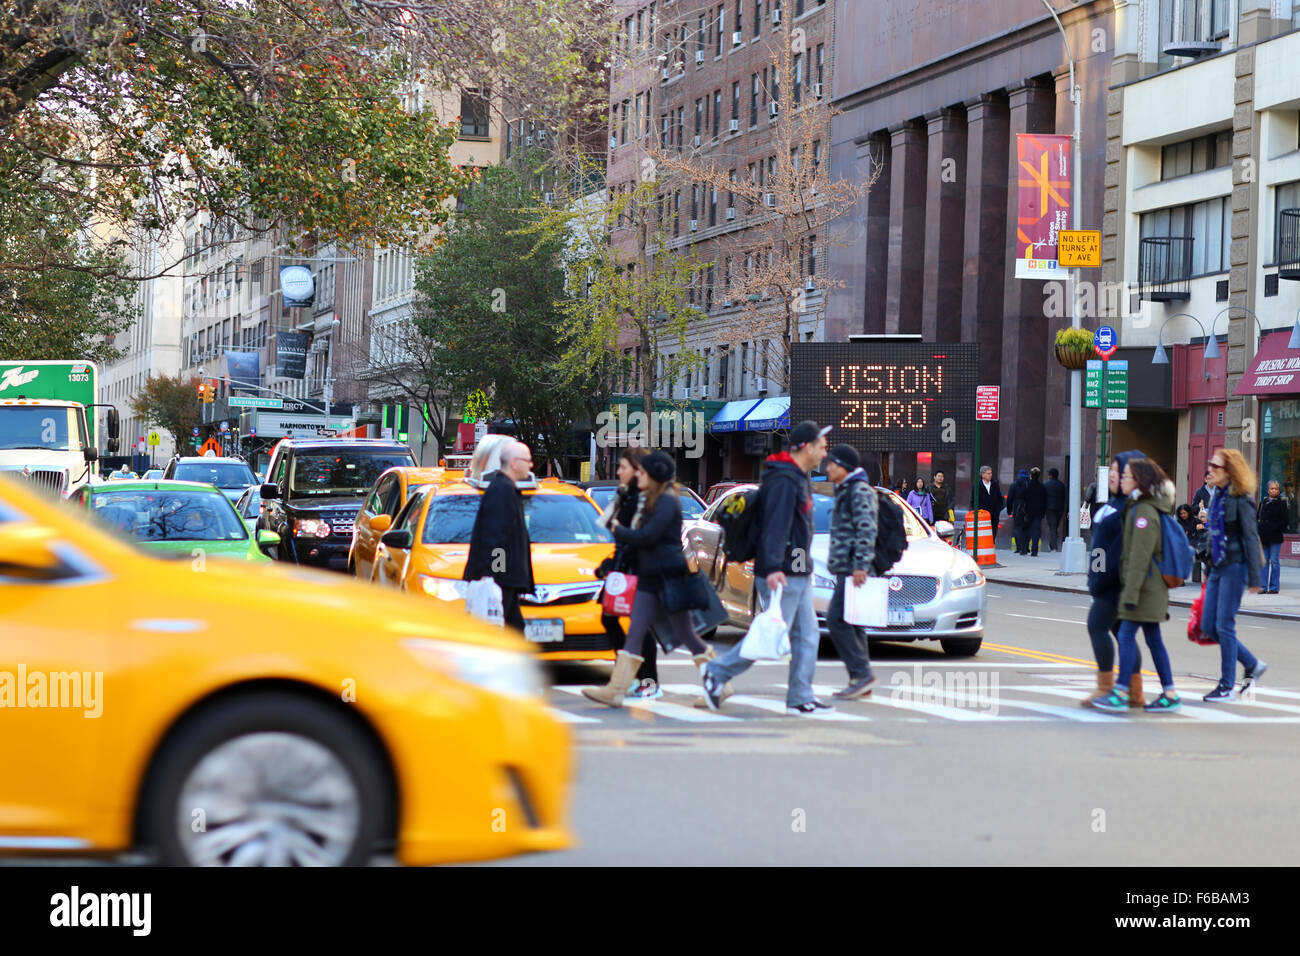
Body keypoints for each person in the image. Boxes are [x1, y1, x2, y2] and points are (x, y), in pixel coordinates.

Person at [702, 420, 832, 715]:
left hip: (794, 571)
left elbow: (797, 532)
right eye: (822, 447)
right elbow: (776, 527)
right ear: (806, 447)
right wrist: (774, 568)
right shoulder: (786, 480)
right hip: (783, 573)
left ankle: (800, 696)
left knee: (808, 634)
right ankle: (717, 673)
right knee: (767, 638)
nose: (825, 453)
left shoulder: (794, 476)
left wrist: (801, 569)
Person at [583, 451, 712, 707]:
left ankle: (718, 681)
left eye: (641, 472)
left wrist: (618, 529)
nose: (636, 475)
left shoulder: (667, 500)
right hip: (648, 576)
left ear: (653, 475)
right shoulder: (649, 499)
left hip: (668, 576)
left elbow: (648, 536)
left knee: (686, 633)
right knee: (636, 632)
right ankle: (616, 690)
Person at [1092, 457, 1181, 713]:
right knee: (1153, 640)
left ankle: (1120, 692)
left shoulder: (1142, 512)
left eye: (1127, 476)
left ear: (1139, 480)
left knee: (1126, 635)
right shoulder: (1142, 506)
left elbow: (1139, 558)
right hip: (1149, 588)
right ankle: (1170, 693)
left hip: (1144, 589)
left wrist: (1129, 593)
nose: (1122, 480)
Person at [1081, 450, 1147, 709]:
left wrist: (1100, 580)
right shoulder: (1112, 504)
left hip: (1115, 584)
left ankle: (1107, 687)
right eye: (1111, 471)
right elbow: (1099, 546)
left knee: (1097, 626)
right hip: (1104, 580)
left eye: (1119, 473)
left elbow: (1119, 551)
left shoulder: (1130, 508)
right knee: (1121, 633)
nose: (1112, 476)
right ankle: (1134, 691)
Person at [1200, 448, 1267, 702]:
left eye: (1215, 467)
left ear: (1230, 472)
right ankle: (1252, 663)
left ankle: (1226, 686)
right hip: (1218, 566)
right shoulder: (1217, 496)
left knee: (1224, 625)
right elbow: (1213, 533)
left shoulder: (1241, 499)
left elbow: (1251, 537)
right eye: (1210, 465)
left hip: (1236, 566)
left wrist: (1254, 578)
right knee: (1208, 625)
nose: (1210, 470)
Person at [594, 447, 661, 699]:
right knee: (610, 618)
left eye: (623, 467)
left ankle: (648, 681)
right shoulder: (626, 496)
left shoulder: (645, 499)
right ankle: (630, 677)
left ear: (637, 470)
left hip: (639, 570)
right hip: (624, 568)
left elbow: (641, 537)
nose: (618, 471)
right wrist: (610, 563)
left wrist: (619, 562)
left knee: (641, 628)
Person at [823, 444, 879, 700]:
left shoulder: (859, 491)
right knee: (853, 623)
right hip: (846, 567)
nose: (827, 467)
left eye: (832, 463)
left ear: (843, 465)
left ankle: (861, 673)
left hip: (852, 568)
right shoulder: (846, 489)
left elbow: (867, 529)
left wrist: (860, 565)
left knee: (836, 619)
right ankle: (860, 677)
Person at [462, 440, 535, 632]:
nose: (531, 464)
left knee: (514, 631)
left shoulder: (504, 488)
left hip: (504, 578)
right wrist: (495, 575)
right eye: (527, 460)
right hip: (502, 580)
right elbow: (495, 537)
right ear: (514, 463)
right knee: (510, 634)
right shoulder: (502, 491)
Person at [1258, 480, 1287, 594]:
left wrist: (1274, 528)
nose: (1273, 490)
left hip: (1275, 537)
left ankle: (1274, 587)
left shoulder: (1282, 503)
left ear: (1278, 490)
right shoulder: (1263, 502)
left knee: (1274, 562)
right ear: (1268, 490)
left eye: (1276, 488)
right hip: (1264, 537)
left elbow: (1285, 521)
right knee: (1264, 562)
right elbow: (1258, 518)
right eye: (1271, 488)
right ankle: (1263, 587)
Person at [974, 465, 1005, 548]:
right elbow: (973, 500)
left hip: (994, 515)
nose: (990, 475)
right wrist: (979, 511)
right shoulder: (977, 485)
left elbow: (1000, 498)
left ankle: (991, 548)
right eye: (988, 473)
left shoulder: (995, 485)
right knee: (983, 535)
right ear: (982, 475)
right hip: (982, 516)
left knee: (992, 535)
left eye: (991, 473)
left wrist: (998, 509)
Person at [1006, 468, 1031, 555]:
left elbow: (1009, 499)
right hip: (1028, 508)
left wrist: (1009, 510)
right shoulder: (1030, 484)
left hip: (1017, 508)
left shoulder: (1014, 485)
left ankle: (1019, 547)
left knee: (1017, 528)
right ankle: (1026, 547)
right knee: (1027, 528)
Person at [1025, 467, 1048, 556]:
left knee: (1026, 529)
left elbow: (1022, 496)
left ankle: (1024, 548)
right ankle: (1034, 550)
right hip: (1038, 512)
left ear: (1031, 475)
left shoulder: (1027, 485)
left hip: (1028, 511)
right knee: (1036, 531)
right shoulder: (1042, 487)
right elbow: (1045, 500)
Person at [1043, 467, 1067, 552]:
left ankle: (1054, 546)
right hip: (1059, 509)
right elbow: (1065, 498)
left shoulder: (1046, 484)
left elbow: (1043, 497)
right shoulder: (1062, 485)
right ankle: (1052, 544)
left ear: (1051, 475)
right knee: (1055, 526)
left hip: (1049, 508)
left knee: (1052, 527)